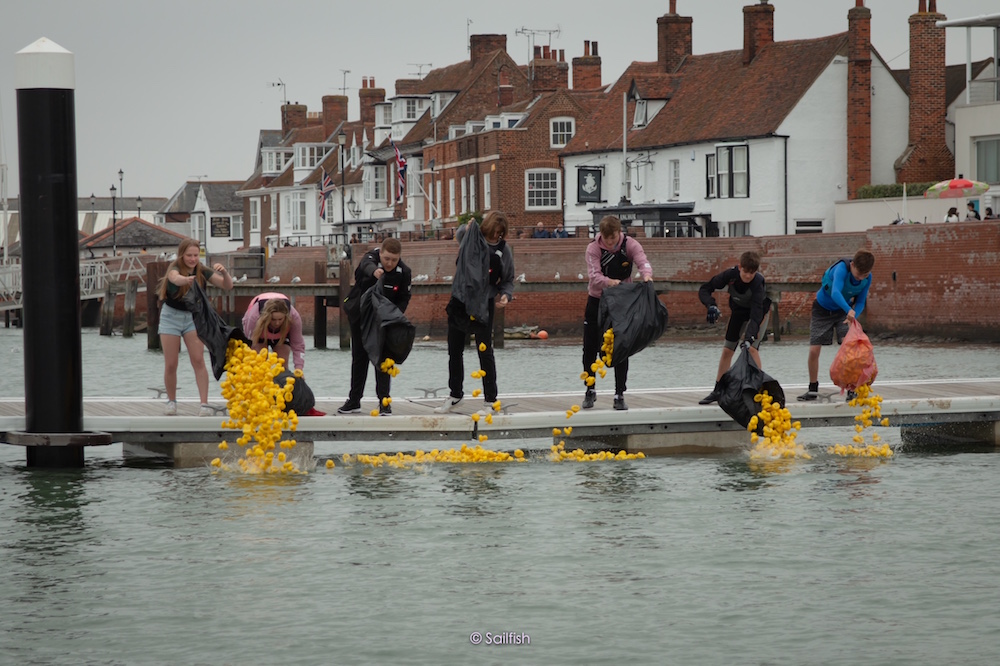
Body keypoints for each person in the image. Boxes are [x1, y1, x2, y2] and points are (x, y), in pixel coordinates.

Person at [436, 211, 515, 412]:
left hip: (483, 303)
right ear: (485, 228)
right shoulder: (472, 237)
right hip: (461, 298)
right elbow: (460, 232)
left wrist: (505, 295)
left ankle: (490, 399)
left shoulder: (503, 251)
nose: (495, 237)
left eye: (499, 233)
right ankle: (455, 395)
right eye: (491, 232)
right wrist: (468, 225)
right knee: (454, 349)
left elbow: (507, 279)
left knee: (485, 351)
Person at [581, 216, 653, 411]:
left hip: (621, 303)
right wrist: (609, 282)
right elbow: (594, 276)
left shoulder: (630, 245)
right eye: (606, 238)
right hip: (597, 301)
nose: (610, 242)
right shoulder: (593, 248)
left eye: (613, 237)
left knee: (621, 349)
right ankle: (590, 390)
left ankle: (619, 394)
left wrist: (646, 275)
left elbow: (643, 262)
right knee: (590, 348)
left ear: (619, 233)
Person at [156, 237, 234, 416]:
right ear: (182, 255)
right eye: (189, 255)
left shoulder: (202, 270)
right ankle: (171, 401)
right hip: (171, 317)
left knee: (198, 360)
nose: (192, 259)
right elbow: (174, 279)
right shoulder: (174, 268)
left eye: (195, 255)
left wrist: (225, 273)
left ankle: (204, 404)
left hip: (193, 317)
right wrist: (187, 280)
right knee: (171, 363)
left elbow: (226, 286)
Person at [338, 238, 412, 415]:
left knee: (384, 360)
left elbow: (404, 298)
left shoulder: (404, 272)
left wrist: (394, 316)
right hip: (361, 316)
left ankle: (384, 401)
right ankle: (354, 400)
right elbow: (365, 265)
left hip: (384, 321)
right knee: (360, 357)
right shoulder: (371, 258)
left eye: (394, 260)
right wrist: (376, 272)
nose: (390, 263)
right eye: (386, 258)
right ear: (381, 254)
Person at [797, 249, 876, 402]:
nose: (860, 278)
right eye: (858, 274)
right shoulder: (841, 269)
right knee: (814, 350)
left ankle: (851, 389)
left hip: (843, 314)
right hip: (822, 310)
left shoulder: (868, 278)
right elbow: (835, 293)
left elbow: (860, 301)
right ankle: (812, 389)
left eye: (864, 275)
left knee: (852, 351)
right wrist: (849, 310)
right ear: (852, 265)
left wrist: (853, 315)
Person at [697, 251, 770, 405]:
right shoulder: (729, 275)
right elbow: (705, 288)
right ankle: (718, 390)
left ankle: (758, 390)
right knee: (727, 351)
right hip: (738, 311)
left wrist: (749, 337)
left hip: (758, 314)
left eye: (752, 273)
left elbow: (756, 314)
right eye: (745, 272)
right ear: (739, 267)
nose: (748, 276)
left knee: (751, 349)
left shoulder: (758, 282)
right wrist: (711, 305)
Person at [241, 292, 306, 373]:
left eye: (280, 319)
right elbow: (249, 344)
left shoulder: (294, 317)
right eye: (273, 319)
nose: (277, 323)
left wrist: (299, 368)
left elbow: (298, 345)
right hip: (260, 333)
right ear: (267, 317)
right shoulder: (254, 317)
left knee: (282, 364)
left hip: (281, 335)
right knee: (259, 364)